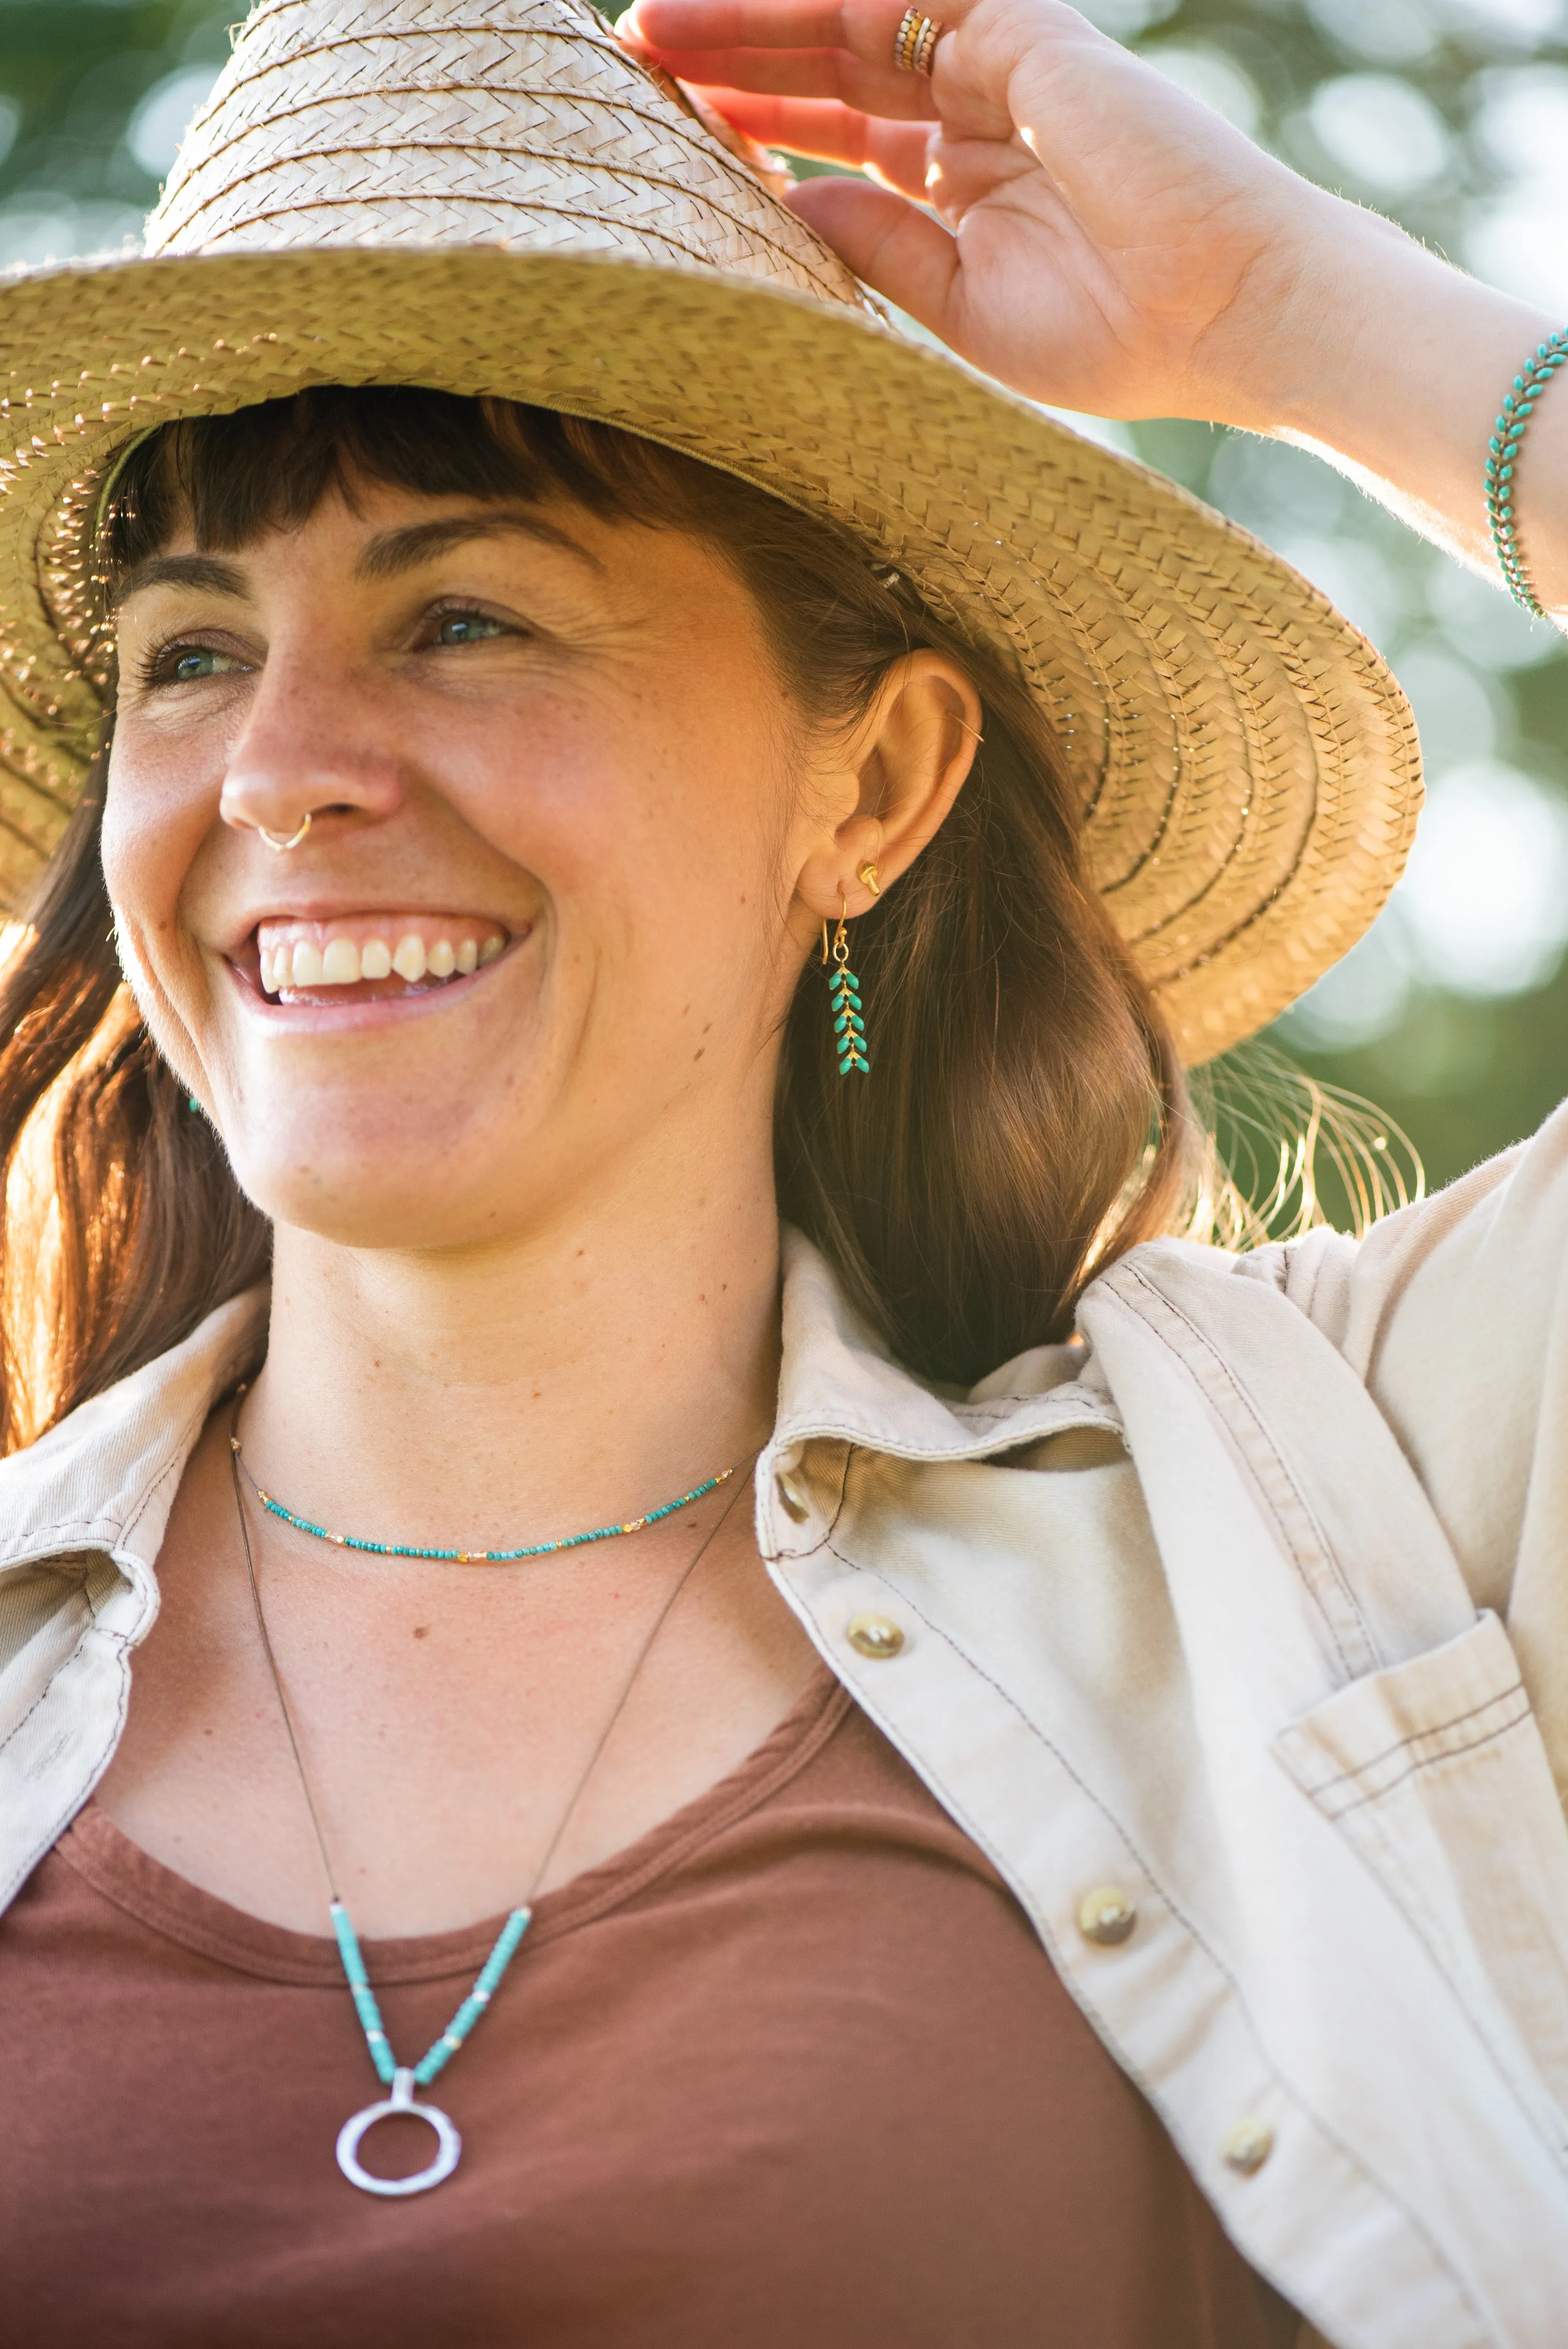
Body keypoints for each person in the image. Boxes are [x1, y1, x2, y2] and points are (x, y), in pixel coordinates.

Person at [0, 0, 1564, 2341]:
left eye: (465, 617)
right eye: (193, 652)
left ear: (876, 790)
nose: (285, 772)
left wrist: (1289, 322)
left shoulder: (1341, 1506)